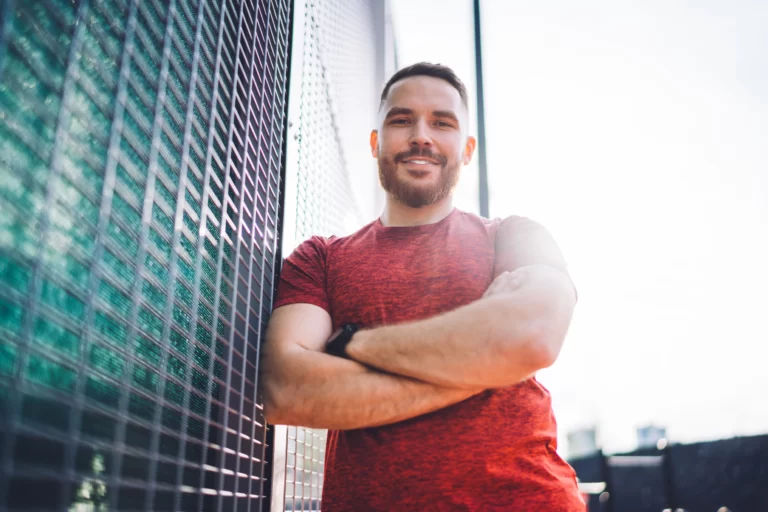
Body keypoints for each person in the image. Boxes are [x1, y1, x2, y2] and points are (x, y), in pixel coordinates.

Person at [262, 62, 585, 511]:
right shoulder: (320, 258)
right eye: (401, 120)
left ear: (467, 149)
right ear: (375, 143)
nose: (421, 136)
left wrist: (352, 344)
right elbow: (286, 390)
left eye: (442, 123)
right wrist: (487, 363)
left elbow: (532, 337)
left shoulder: (516, 237)